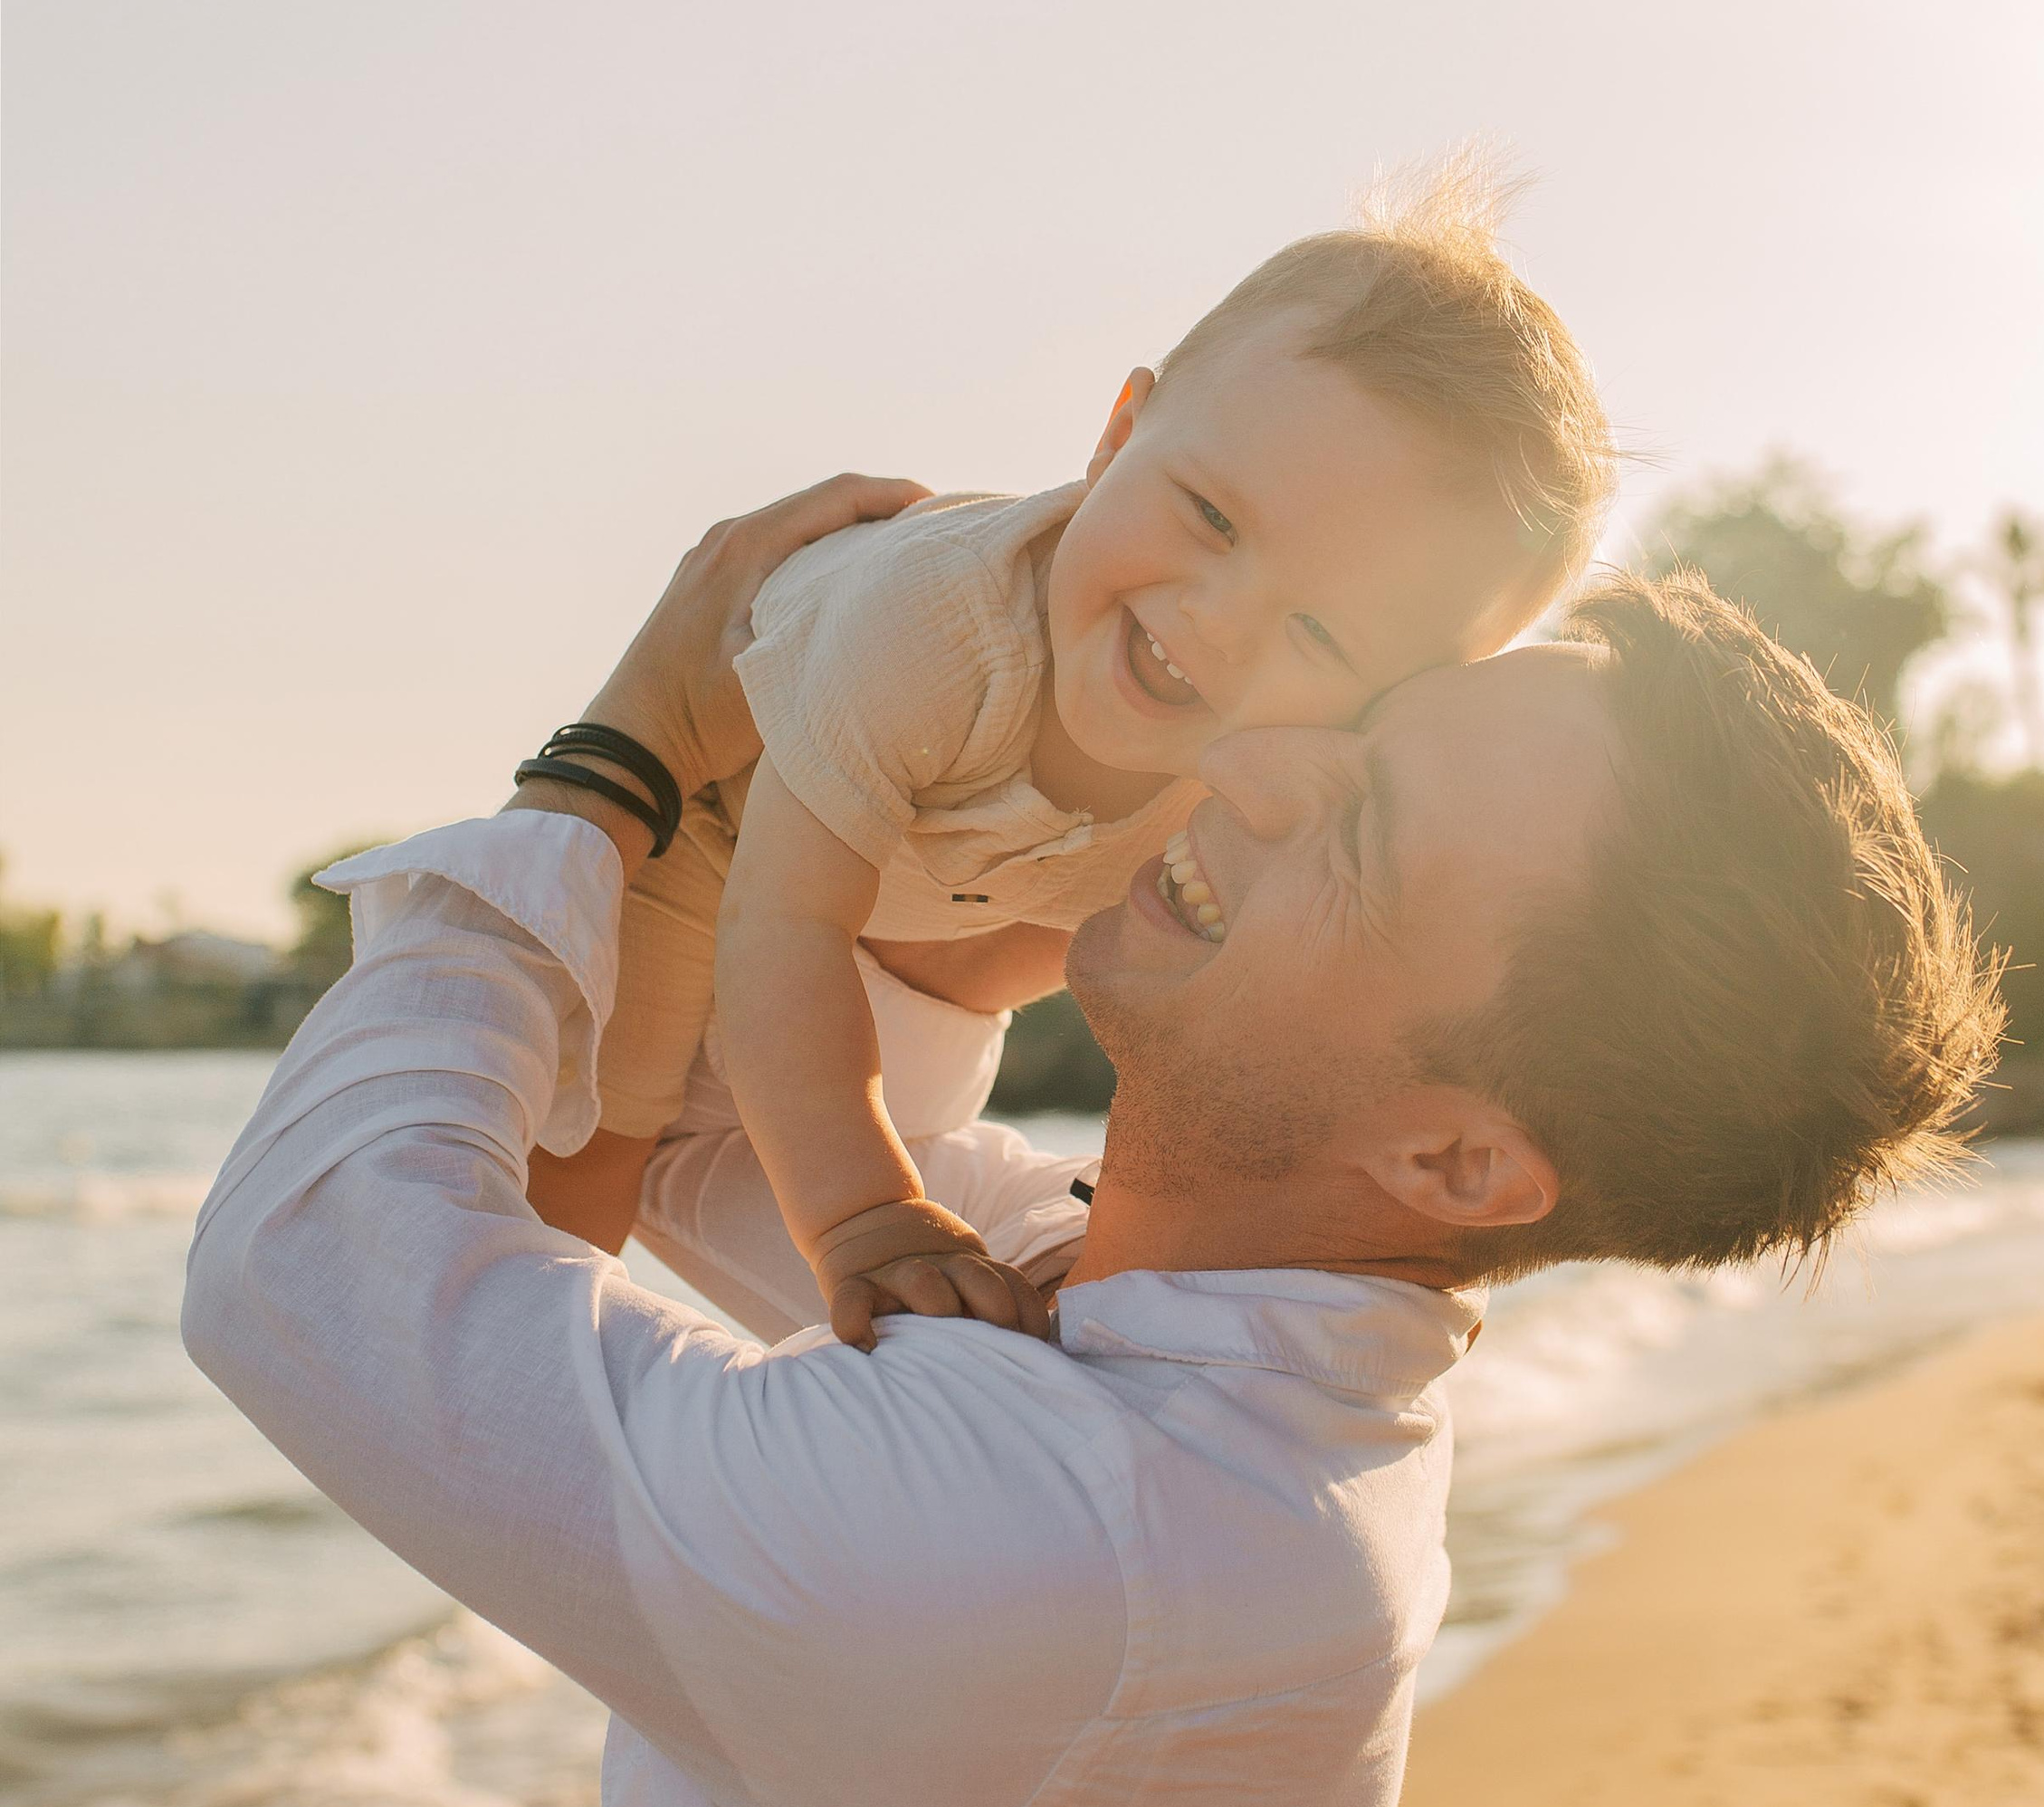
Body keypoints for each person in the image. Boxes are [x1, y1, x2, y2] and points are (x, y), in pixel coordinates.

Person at [182, 474, 1999, 1807]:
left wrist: (622, 745)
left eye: (1356, 823)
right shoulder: (1167, 1365)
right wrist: (939, 791)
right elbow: (711, 1124)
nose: (1262, 760)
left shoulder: (1097, 1546)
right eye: (1359, 720)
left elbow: (314, 1266)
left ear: (1456, 1159)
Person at [571, 168, 1613, 1345]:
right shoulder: (926, 629)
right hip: (711, 833)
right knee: (598, 1129)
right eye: (1211, 517)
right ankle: (525, 1372)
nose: (1216, 619)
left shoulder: (1275, 764)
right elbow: (783, 925)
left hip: (927, 920)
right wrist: (867, 1223)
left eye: (1320, 632)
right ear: (1118, 435)